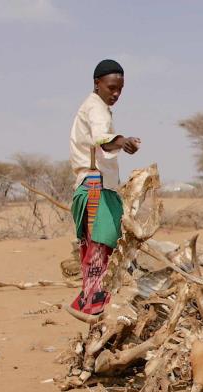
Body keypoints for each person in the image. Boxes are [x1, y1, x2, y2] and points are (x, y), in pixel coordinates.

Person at [67, 59, 141, 320]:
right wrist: (122, 141)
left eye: (120, 89)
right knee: (101, 244)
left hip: (95, 185)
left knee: (97, 245)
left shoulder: (95, 107)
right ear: (97, 84)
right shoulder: (96, 108)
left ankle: (87, 299)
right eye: (111, 88)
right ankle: (94, 304)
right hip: (95, 185)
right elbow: (102, 140)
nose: (116, 94)